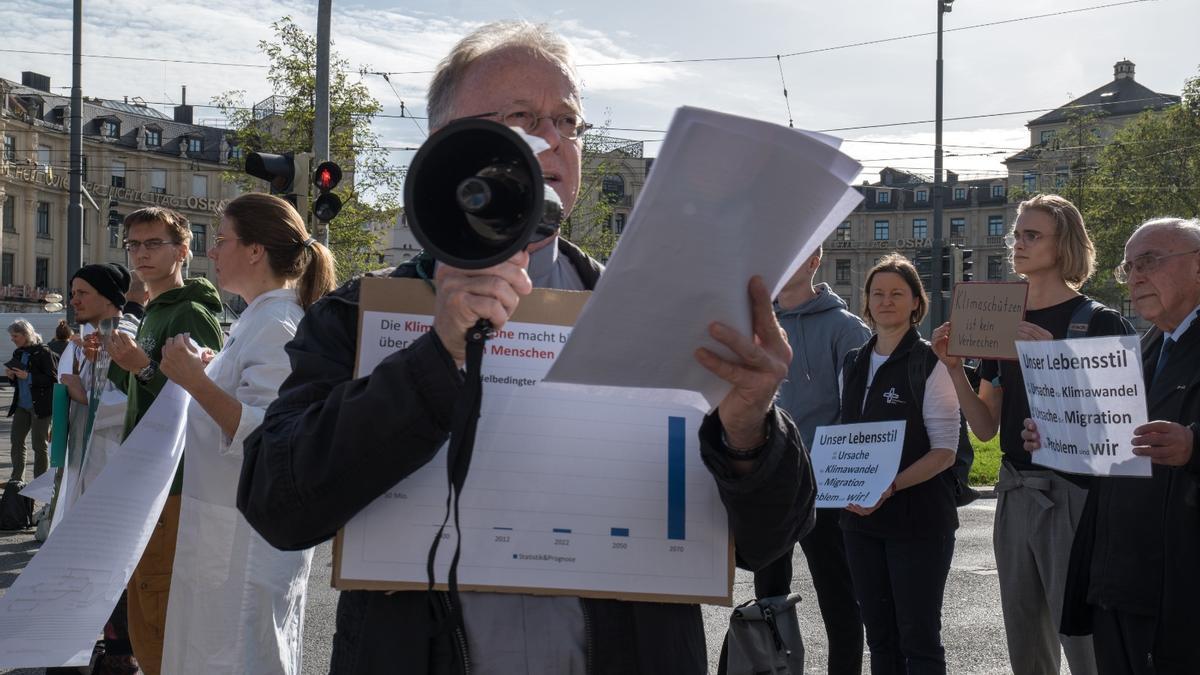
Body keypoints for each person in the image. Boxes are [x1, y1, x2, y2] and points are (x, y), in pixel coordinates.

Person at [239, 20, 815, 674]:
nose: (553, 139)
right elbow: (278, 502)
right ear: (445, 146)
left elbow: (770, 537)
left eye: (568, 121)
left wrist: (749, 426)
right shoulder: (358, 318)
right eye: (521, 116)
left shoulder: (659, 314)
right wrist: (436, 357)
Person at [931, 194, 1128, 675]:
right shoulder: (999, 321)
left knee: (1084, 643)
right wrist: (954, 371)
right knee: (1025, 641)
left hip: (1076, 497)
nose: (1018, 243)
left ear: (1064, 245)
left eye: (1031, 235)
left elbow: (1119, 431)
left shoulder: (1100, 322)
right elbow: (984, 427)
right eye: (1016, 234)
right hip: (1014, 488)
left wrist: (1053, 362)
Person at [158, 193, 336, 674]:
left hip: (248, 541)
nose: (212, 252)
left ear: (255, 250)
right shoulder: (257, 317)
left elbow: (271, 436)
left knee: (242, 657)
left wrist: (194, 380)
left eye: (221, 240)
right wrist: (209, 370)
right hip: (228, 531)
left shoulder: (277, 324)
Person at [1023, 217, 1200, 673]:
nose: (1136, 275)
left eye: (1150, 261)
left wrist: (1194, 446)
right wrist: (1059, 438)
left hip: (1181, 584)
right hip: (1120, 577)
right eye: (1128, 267)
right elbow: (1110, 445)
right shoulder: (1142, 348)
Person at [106, 206, 224, 675]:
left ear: (183, 250)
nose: (141, 253)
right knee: (144, 606)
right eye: (133, 244)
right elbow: (142, 391)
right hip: (148, 479)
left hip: (175, 483)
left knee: (158, 608)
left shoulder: (191, 313)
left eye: (154, 243)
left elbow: (203, 402)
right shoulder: (153, 310)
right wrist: (117, 360)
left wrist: (141, 366)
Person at [838, 254, 960, 674]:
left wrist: (888, 486)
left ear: (915, 303)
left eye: (897, 293)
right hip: (859, 524)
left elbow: (945, 451)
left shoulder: (930, 363)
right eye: (877, 294)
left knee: (919, 639)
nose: (886, 301)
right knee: (881, 640)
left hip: (919, 522)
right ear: (866, 304)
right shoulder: (852, 362)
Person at [775, 246, 870, 674]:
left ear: (815, 261)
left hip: (826, 487)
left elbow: (858, 412)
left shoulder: (845, 328)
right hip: (769, 484)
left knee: (839, 596)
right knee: (768, 598)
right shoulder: (757, 323)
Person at [5, 319, 56, 482]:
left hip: (40, 406)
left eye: (15, 336)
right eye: (11, 336)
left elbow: (53, 379)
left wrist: (29, 377)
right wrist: (12, 377)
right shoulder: (18, 353)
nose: (12, 339)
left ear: (27, 335)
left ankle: (40, 483)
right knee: (16, 441)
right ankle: (16, 480)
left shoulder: (43, 352)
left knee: (39, 445)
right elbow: (18, 382)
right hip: (21, 404)